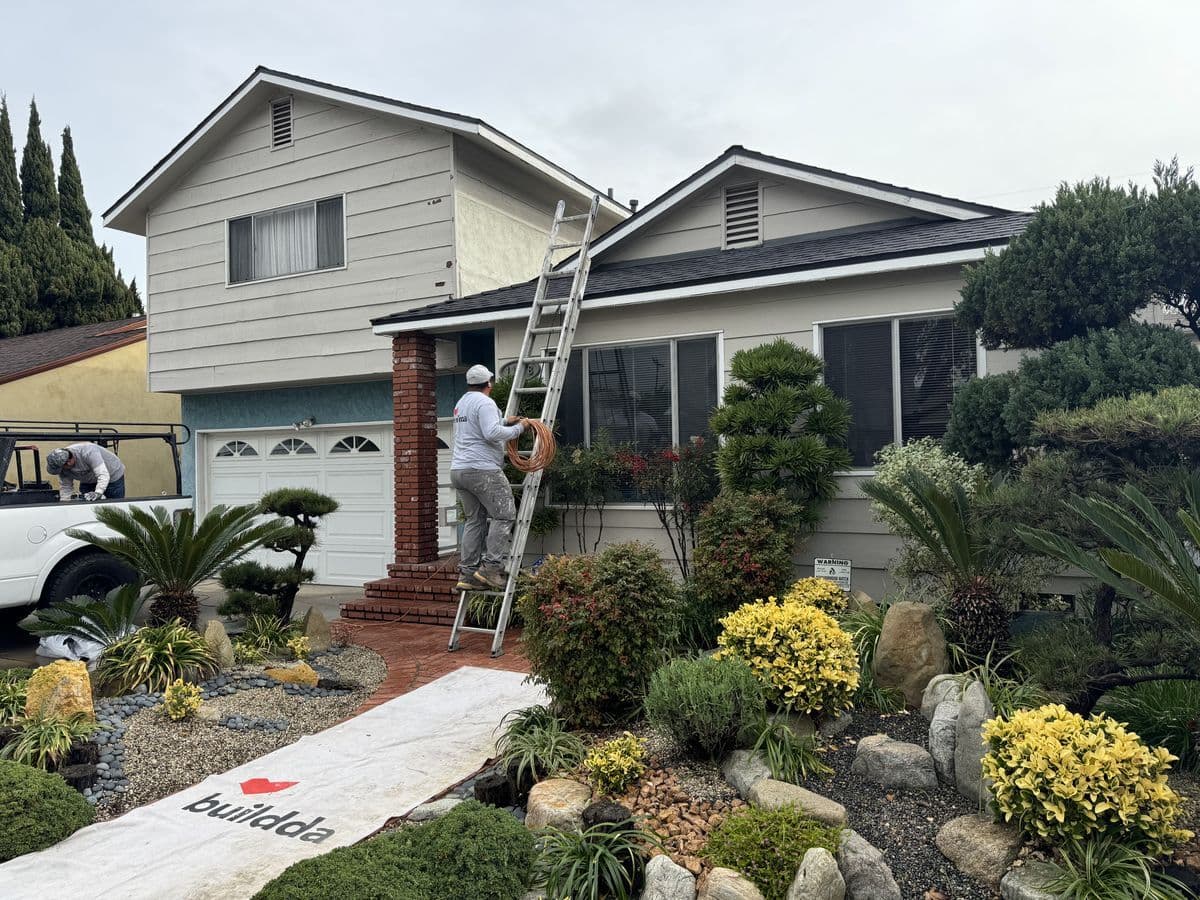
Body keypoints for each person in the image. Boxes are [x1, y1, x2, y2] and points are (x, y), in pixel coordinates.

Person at [451, 364, 526, 591]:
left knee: (475, 520)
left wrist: (505, 421)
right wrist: (519, 429)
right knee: (504, 515)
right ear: (489, 384)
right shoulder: (485, 402)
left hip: (459, 471)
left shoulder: (462, 402)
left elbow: (480, 426)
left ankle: (467, 574)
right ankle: (491, 568)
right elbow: (491, 433)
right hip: (481, 470)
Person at [45, 442, 126, 501]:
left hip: (113, 475)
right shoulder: (61, 466)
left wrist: (98, 492)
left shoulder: (88, 452)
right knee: (87, 504)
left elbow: (103, 475)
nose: (62, 471)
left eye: (63, 468)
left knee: (114, 506)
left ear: (69, 462)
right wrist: (64, 505)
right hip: (88, 479)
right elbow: (66, 487)